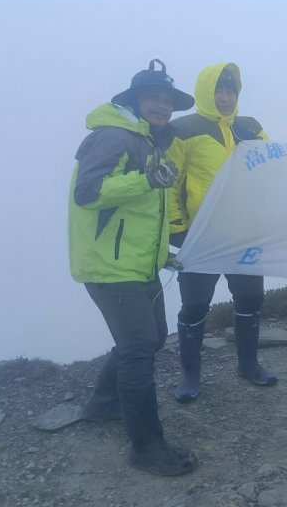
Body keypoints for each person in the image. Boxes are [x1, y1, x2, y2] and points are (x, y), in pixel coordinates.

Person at [68, 59, 198, 476]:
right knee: (139, 348)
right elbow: (87, 193)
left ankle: (105, 404)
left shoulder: (151, 142)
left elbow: (145, 218)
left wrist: (164, 256)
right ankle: (146, 447)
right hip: (110, 268)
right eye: (153, 98)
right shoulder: (113, 136)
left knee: (152, 338)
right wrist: (146, 180)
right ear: (136, 100)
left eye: (167, 100)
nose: (161, 106)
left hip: (138, 266)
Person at [168, 62, 277, 403]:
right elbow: (171, 182)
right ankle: (190, 376)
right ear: (206, 91)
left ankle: (248, 365)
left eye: (231, 91)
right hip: (201, 234)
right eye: (220, 90)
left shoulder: (250, 128)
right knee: (196, 305)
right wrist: (177, 229)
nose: (226, 97)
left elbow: (277, 167)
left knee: (250, 299)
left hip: (244, 233)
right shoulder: (184, 129)